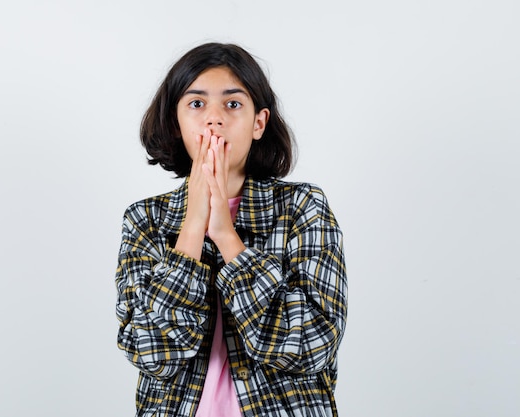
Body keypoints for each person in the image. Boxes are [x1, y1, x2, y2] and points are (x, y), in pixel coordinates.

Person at [115, 42, 347, 417]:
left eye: (233, 104)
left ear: (259, 123)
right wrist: (193, 225)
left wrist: (226, 235)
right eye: (196, 104)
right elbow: (151, 353)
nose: (214, 119)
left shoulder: (303, 207)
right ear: (176, 125)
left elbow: (312, 345)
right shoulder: (145, 220)